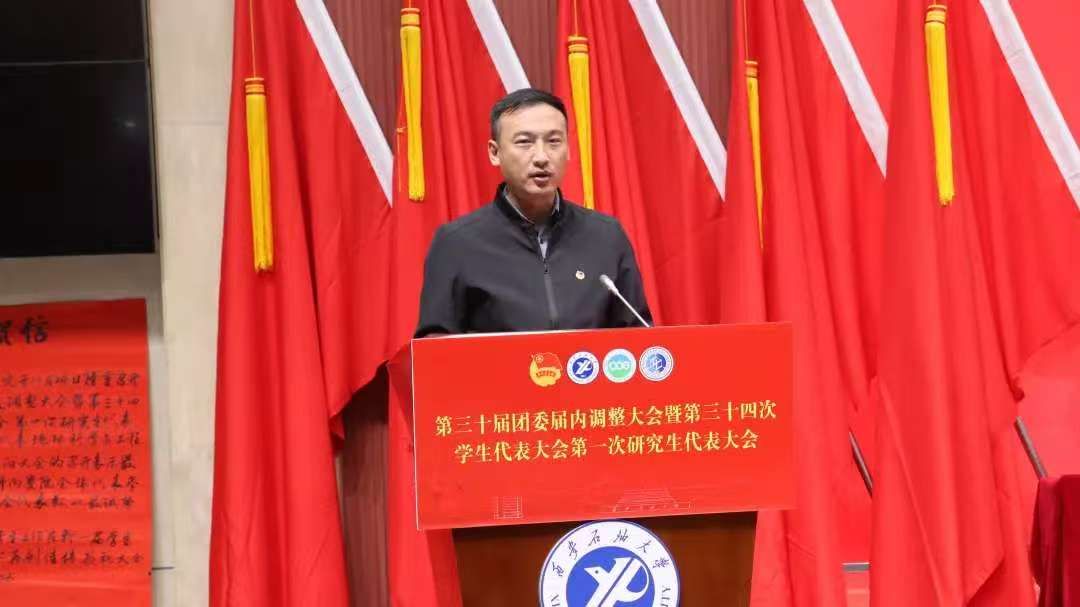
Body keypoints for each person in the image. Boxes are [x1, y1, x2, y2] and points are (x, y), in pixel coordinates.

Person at [415, 88, 652, 337]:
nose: (541, 157)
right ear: (495, 153)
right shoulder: (456, 243)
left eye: (554, 141)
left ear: (569, 149)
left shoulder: (606, 236)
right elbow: (434, 346)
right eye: (524, 142)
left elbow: (638, 338)